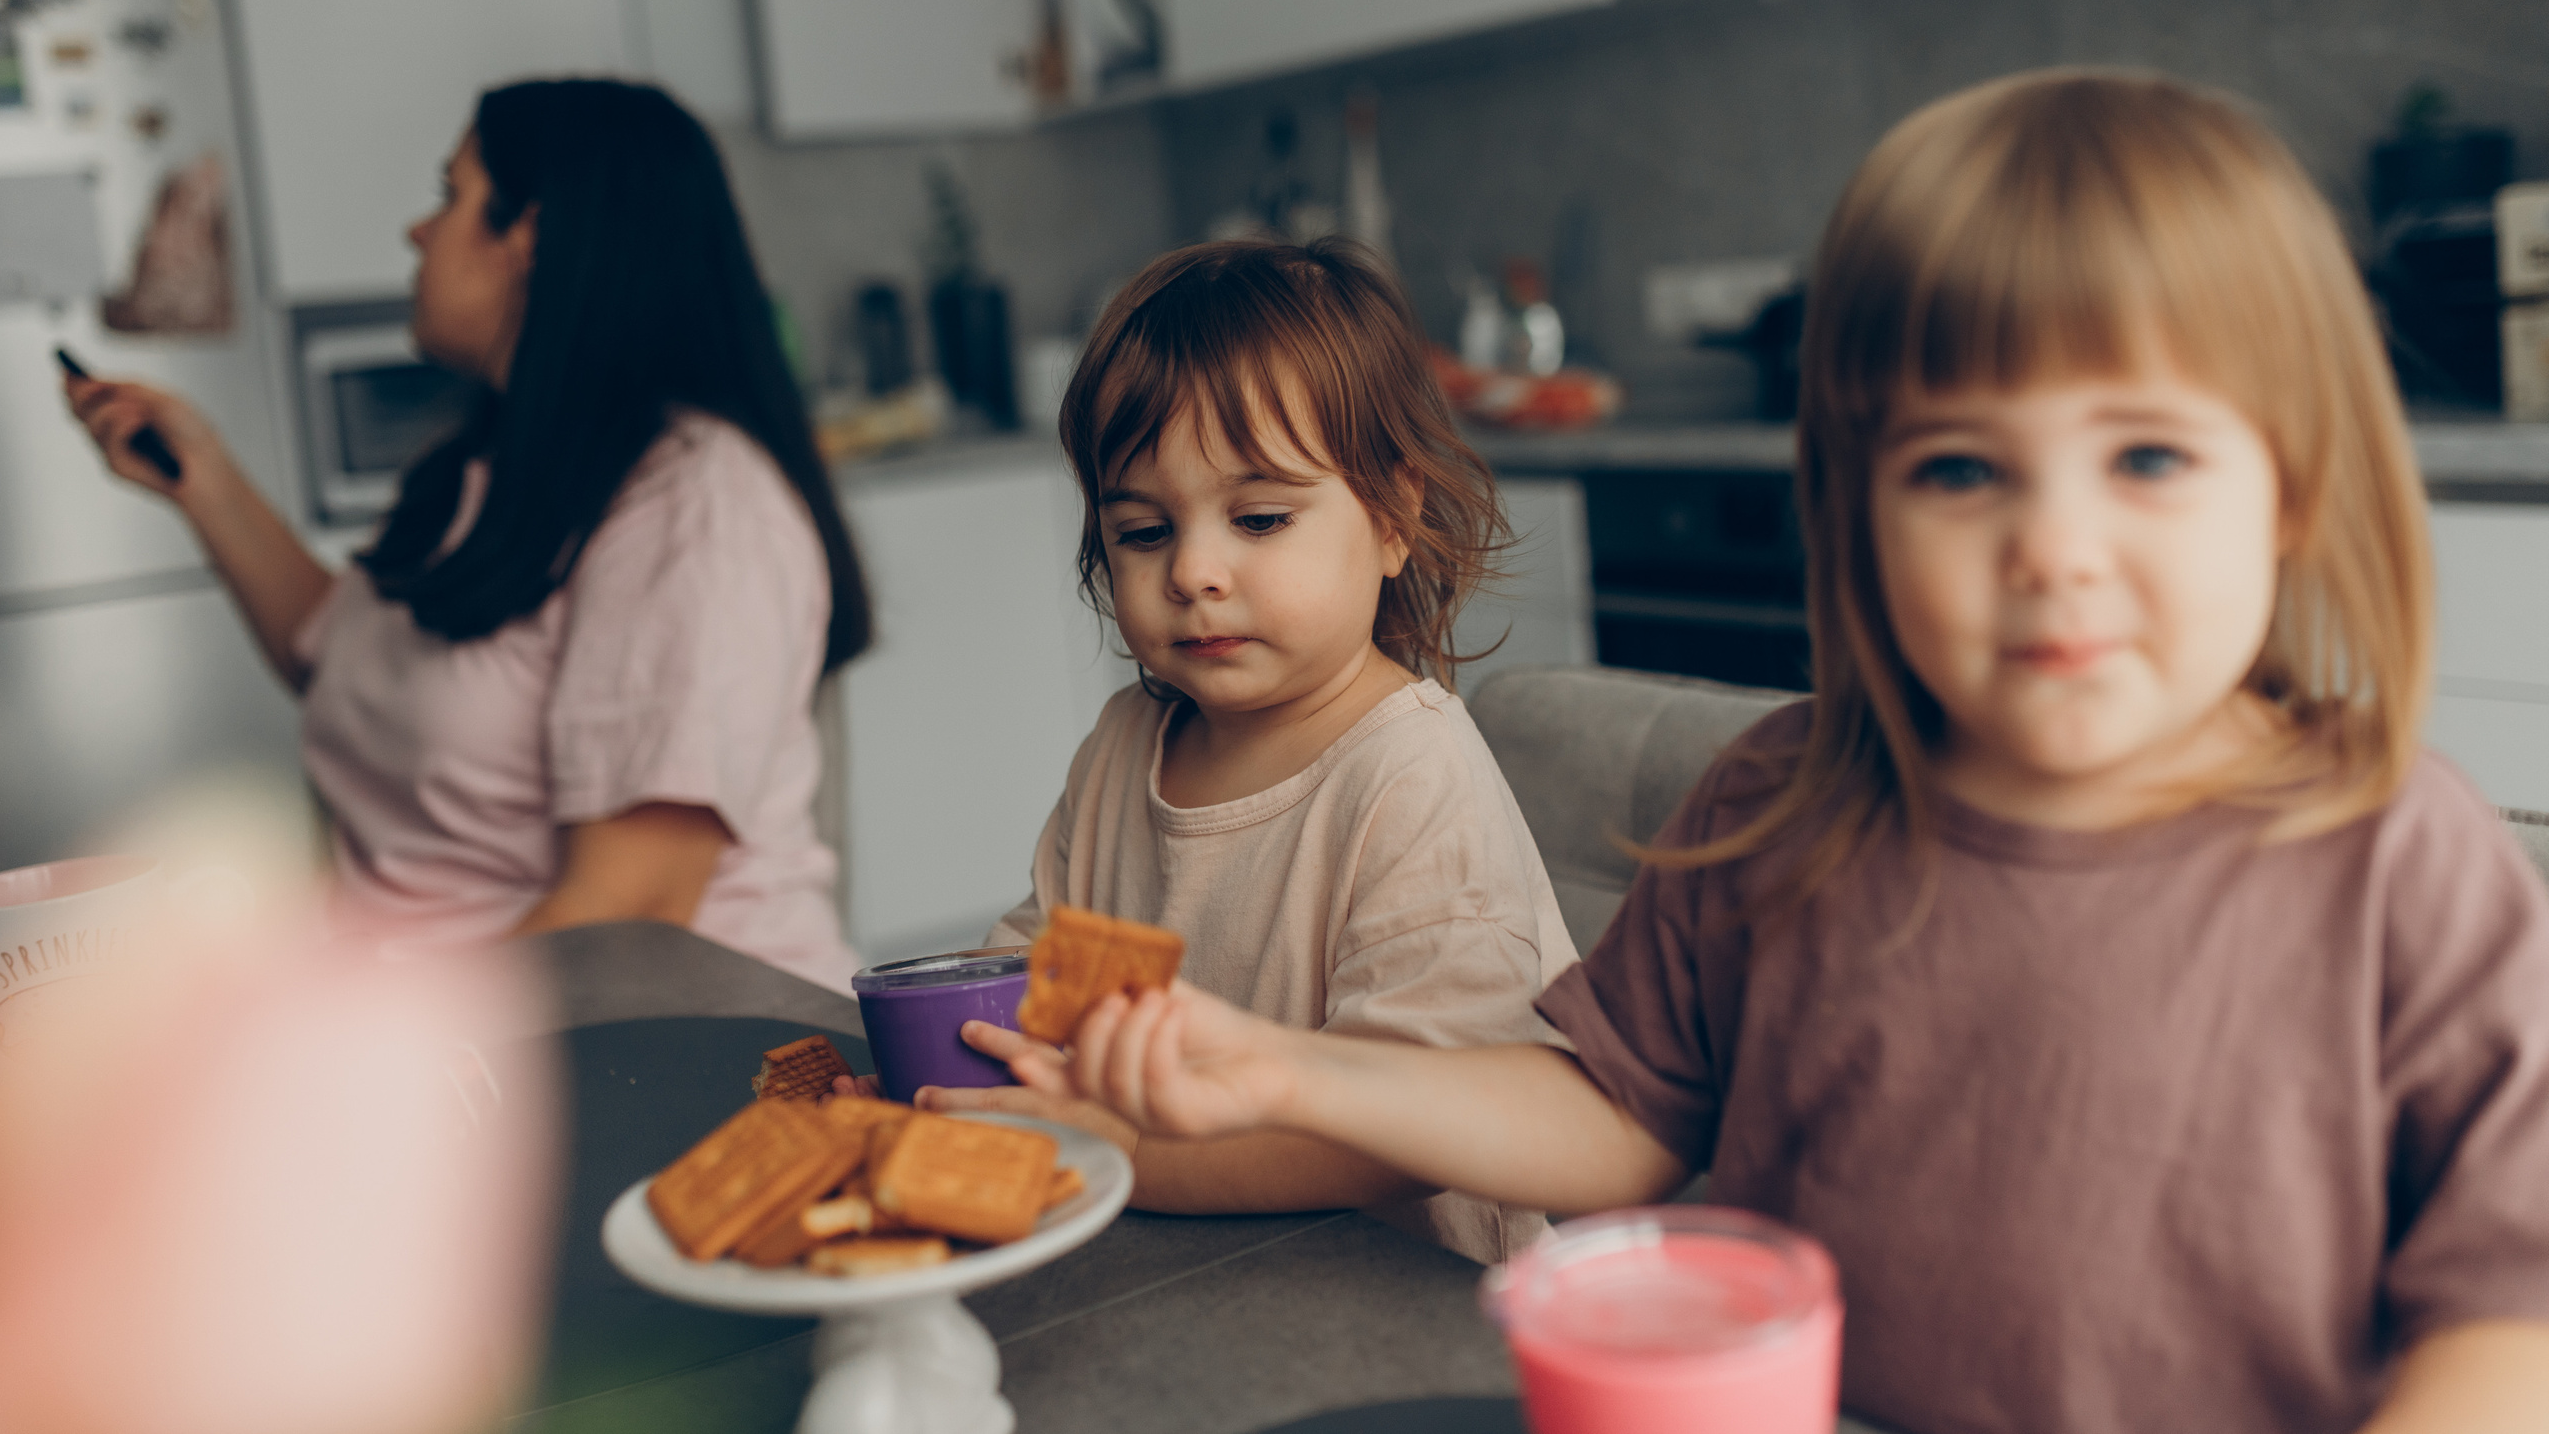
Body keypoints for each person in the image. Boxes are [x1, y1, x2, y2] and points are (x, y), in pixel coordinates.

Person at [998, 73, 2549, 1431]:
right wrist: (1295, 1072)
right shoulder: (1784, 806)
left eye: (2146, 455)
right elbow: (1612, 1122)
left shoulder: (2400, 858)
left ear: (2291, 489)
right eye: (1960, 469)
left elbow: (2511, 1319)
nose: (2053, 550)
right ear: (1856, 505)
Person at [62, 79, 872, 991]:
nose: (417, 232)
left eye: (449, 196)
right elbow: (345, 662)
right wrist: (204, 478)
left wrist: (358, 1050)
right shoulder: (485, 473)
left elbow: (628, 913)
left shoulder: (697, 506)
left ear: (530, 235)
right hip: (452, 1028)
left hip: (679, 1039)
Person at [916, 238, 1577, 1264]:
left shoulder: (1411, 777)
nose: (1193, 570)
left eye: (1259, 518)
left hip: (1412, 1300)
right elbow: (1039, 963)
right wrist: (935, 1057)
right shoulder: (1123, 746)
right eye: (1143, 532)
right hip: (1187, 1265)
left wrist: (1133, 1153)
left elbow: (1413, 1130)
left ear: (1392, 519)